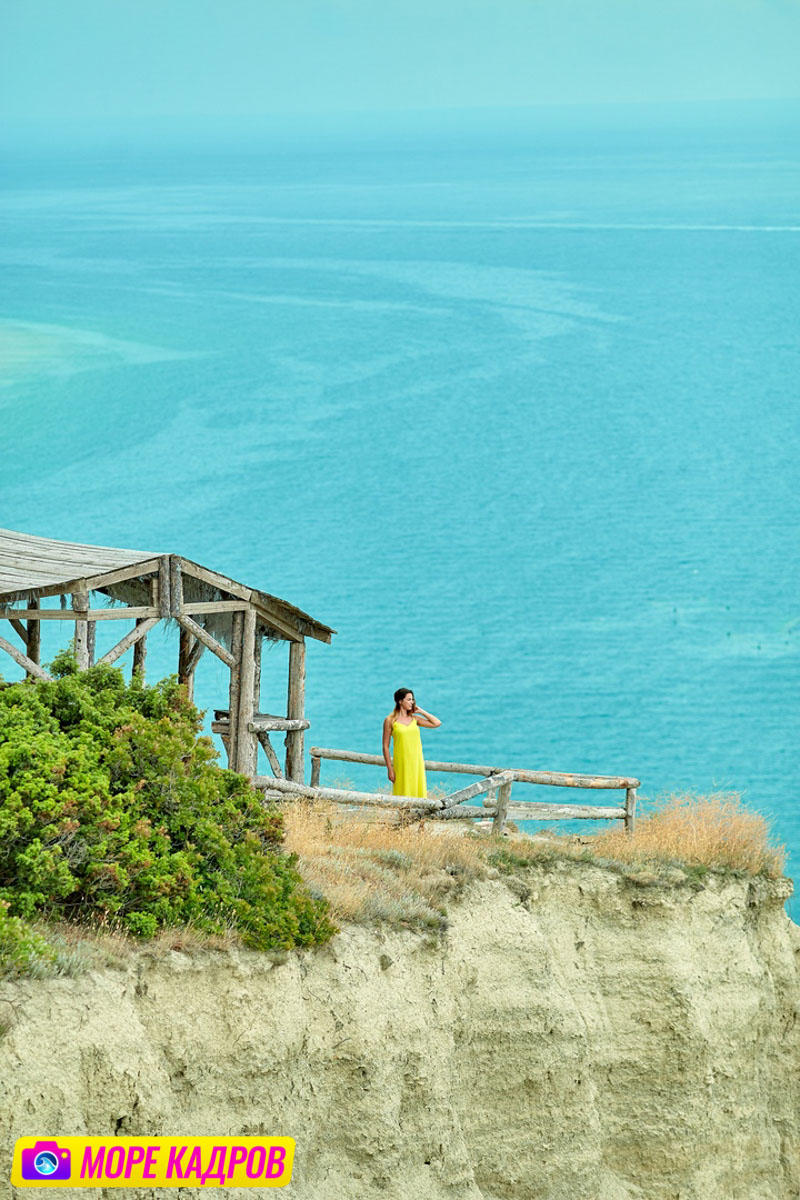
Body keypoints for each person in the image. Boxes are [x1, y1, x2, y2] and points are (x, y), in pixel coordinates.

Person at [382, 688, 441, 798]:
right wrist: (390, 769)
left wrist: (421, 711)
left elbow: (437, 723)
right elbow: (385, 746)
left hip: (416, 762)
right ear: (400, 701)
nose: (412, 702)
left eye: (412, 699)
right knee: (403, 794)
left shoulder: (414, 719)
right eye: (409, 700)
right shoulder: (390, 720)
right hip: (401, 763)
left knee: (418, 792)